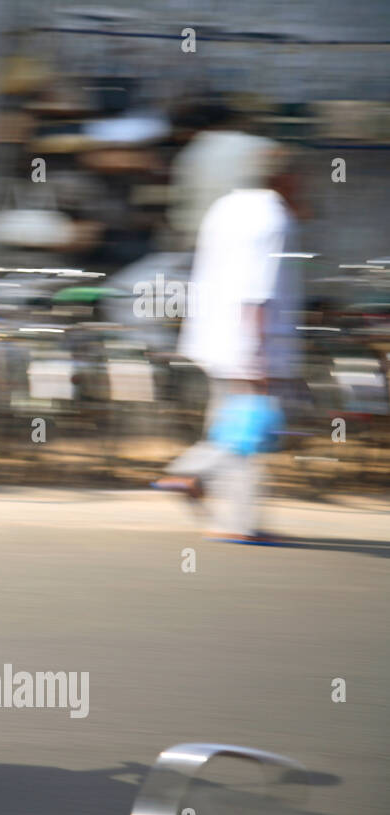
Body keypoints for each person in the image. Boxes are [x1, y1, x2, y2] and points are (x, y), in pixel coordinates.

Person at [154, 143, 304, 542]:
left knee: (234, 427)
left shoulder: (224, 209)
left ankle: (228, 515)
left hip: (213, 339)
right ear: (282, 178)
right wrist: (255, 354)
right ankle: (193, 476)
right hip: (249, 344)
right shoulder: (273, 217)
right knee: (246, 433)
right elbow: (256, 288)